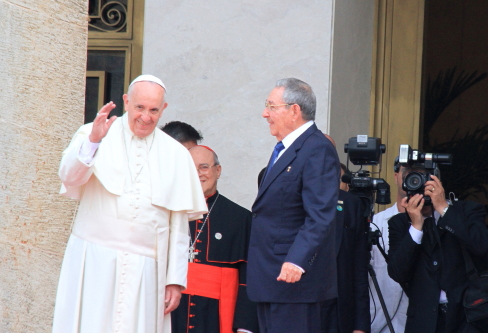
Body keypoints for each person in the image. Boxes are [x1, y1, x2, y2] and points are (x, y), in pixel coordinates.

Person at [53, 75, 207, 333]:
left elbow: (179, 227)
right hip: (93, 260)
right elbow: (69, 177)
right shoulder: (94, 133)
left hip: (147, 271)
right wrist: (92, 142)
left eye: (154, 110)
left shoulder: (176, 154)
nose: (146, 117)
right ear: (126, 101)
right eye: (140, 108)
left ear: (163, 109)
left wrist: (175, 281)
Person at [247, 78, 340, 333]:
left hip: (294, 280)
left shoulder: (316, 148)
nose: (265, 113)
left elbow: (320, 215)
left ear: (294, 111)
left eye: (272, 106)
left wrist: (296, 261)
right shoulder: (285, 148)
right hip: (271, 278)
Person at [387, 164, 488, 333]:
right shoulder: (399, 223)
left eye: (424, 180)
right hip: (423, 321)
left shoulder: (467, 210)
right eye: (413, 181)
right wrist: (416, 227)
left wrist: (443, 209)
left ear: (437, 182)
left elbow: (482, 246)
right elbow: (397, 272)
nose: (419, 187)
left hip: (468, 317)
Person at [168, 144, 258, 333]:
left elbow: (249, 275)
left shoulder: (240, 218)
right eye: (191, 168)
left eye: (204, 167)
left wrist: (244, 325)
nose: (198, 173)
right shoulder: (168, 212)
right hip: (171, 309)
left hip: (216, 315)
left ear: (217, 171)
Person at [319, 135, 370, 333]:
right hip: (298, 311)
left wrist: (360, 326)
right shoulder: (288, 198)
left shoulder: (350, 204)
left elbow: (359, 269)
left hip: (339, 315)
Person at [369, 157, 408, 333]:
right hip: (380, 325)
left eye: (421, 174)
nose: (413, 179)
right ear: (396, 176)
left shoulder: (437, 224)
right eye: (407, 173)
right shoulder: (375, 224)